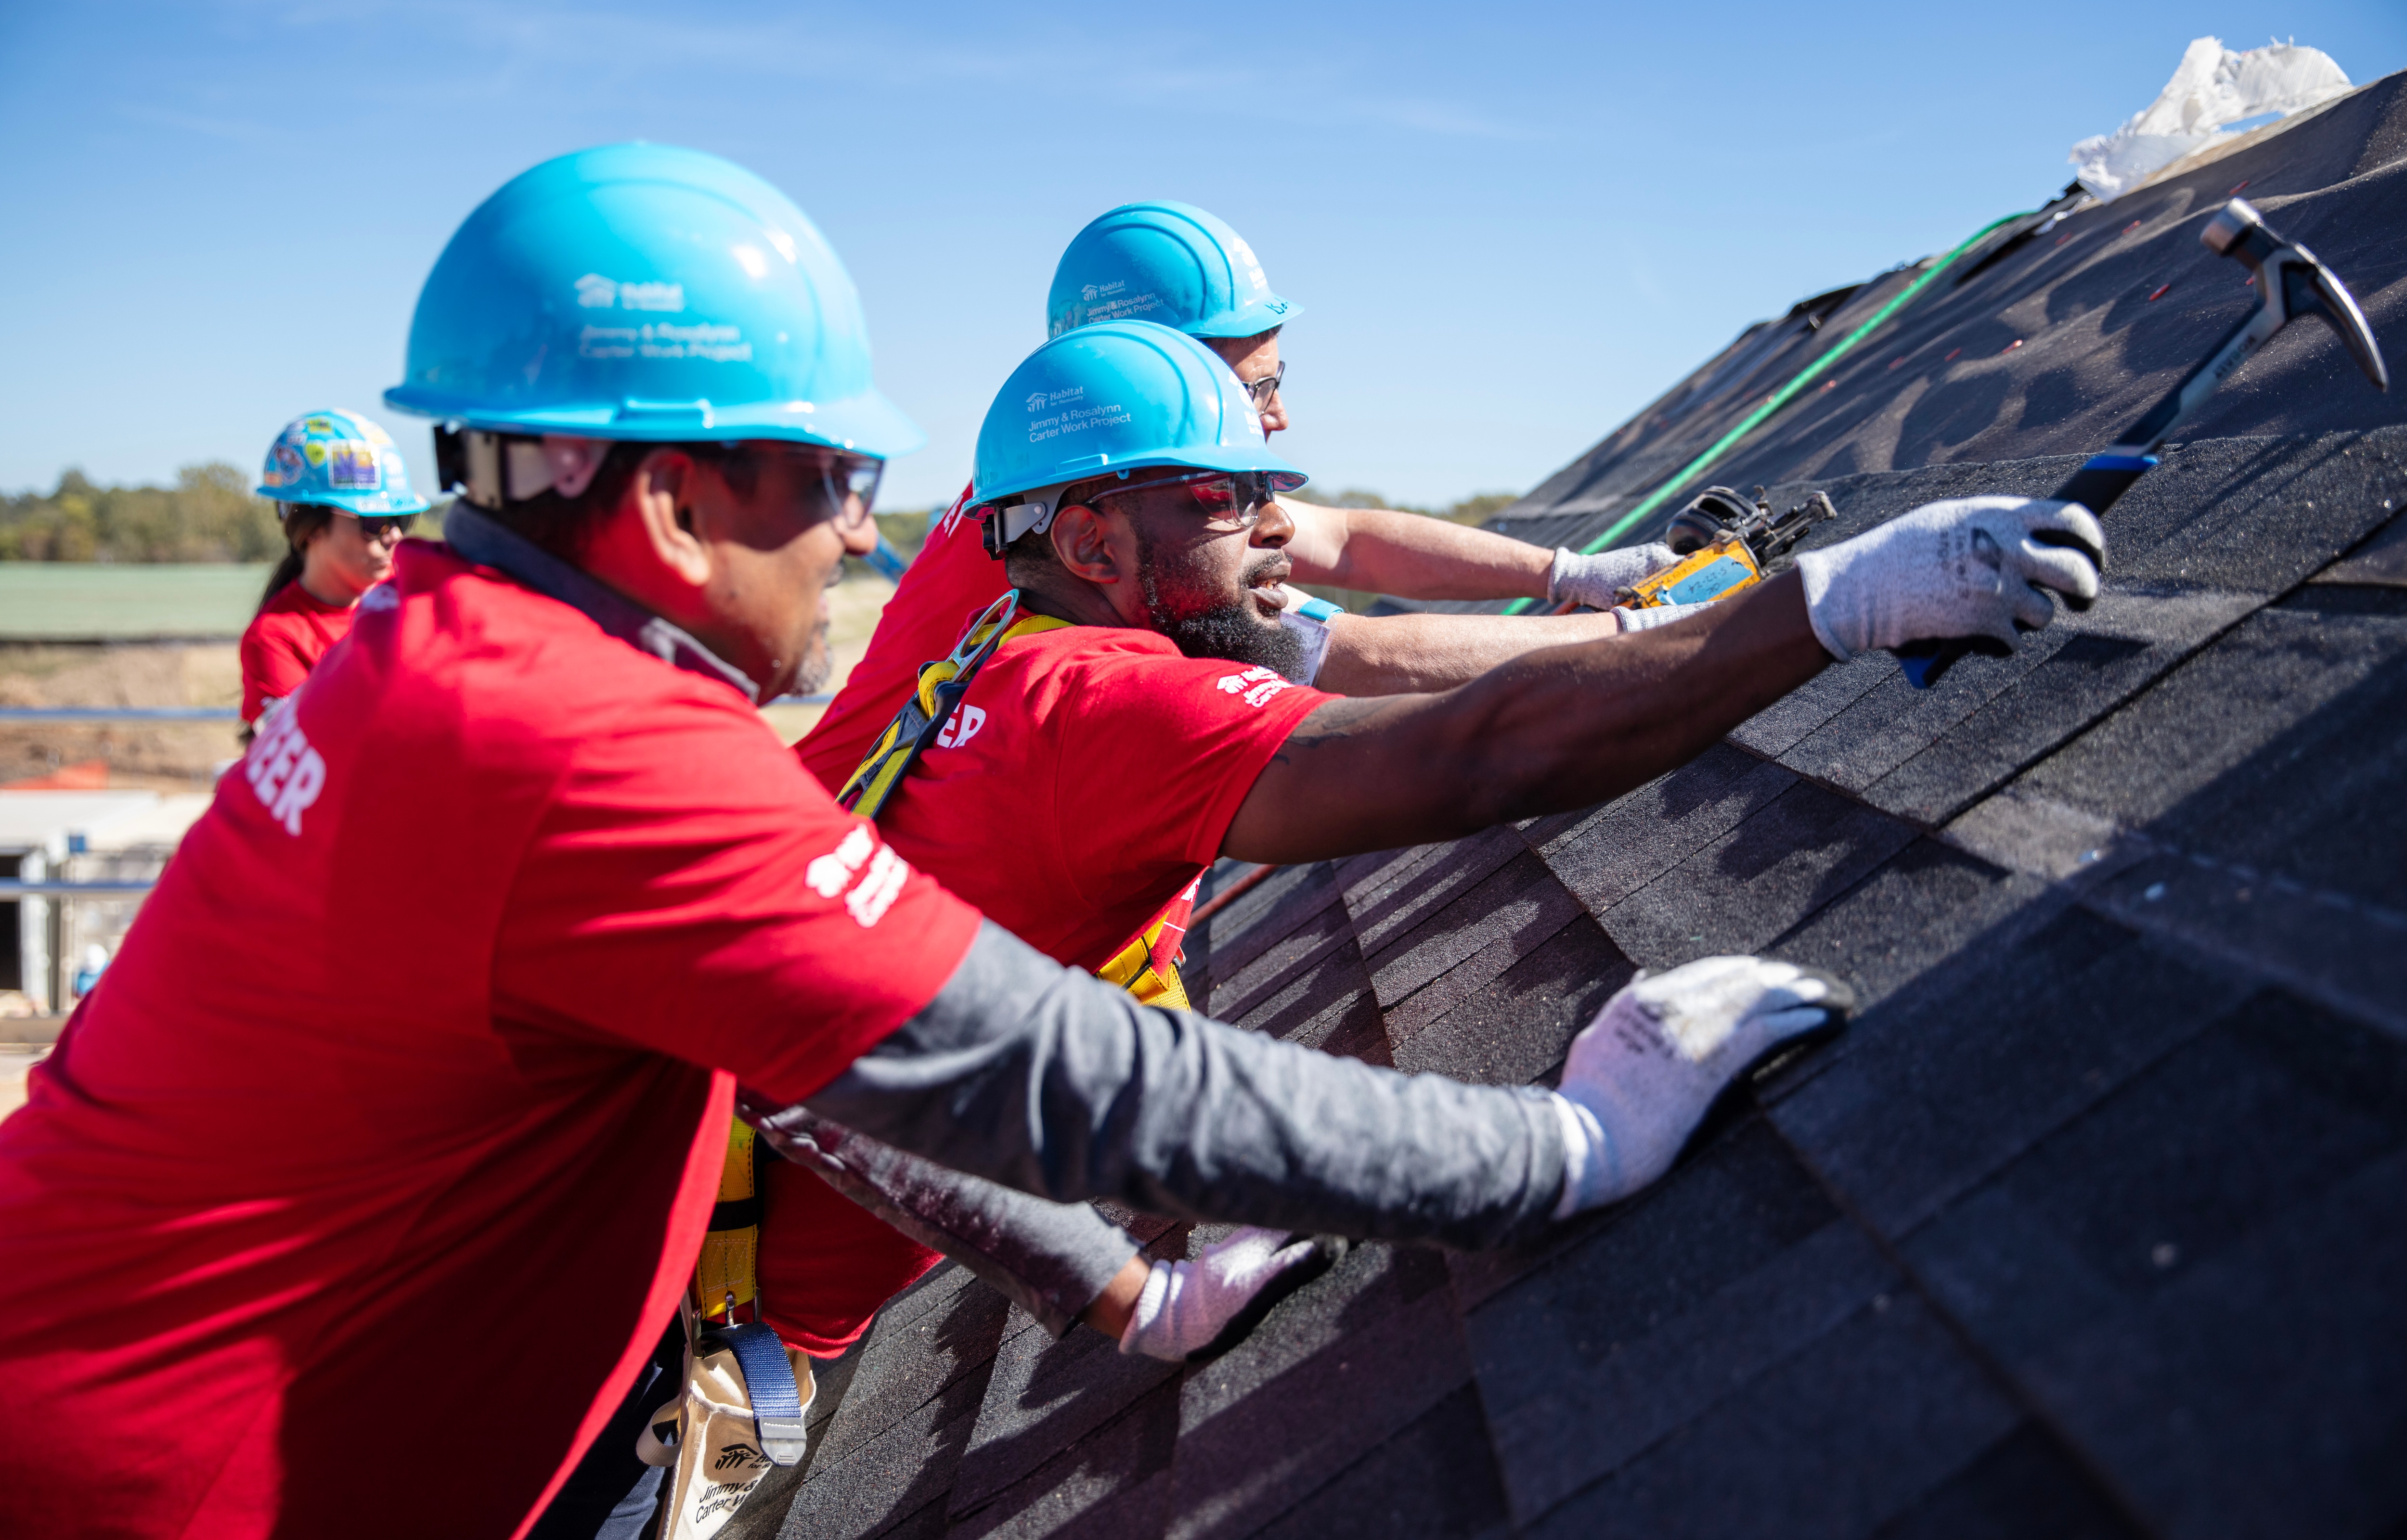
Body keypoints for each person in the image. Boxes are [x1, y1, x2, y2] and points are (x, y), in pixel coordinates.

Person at [0, 143, 1848, 1540]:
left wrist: (1114, 1290)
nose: (867, 540)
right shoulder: (581, 751)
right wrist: (1561, 1145)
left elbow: (816, 1077)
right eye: (830, 477)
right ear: (664, 497)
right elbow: (1066, 1077)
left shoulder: (434, 650)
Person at [748, 317, 2109, 1365]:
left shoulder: (995, 658)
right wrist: (1830, 603)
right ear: (1096, 538)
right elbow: (1481, 749)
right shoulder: (1104, 702)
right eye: (1227, 505)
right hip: (699, 1397)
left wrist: (1125, 1295)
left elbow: (864, 1061)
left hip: (746, 1288)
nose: (1269, 540)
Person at [792, 198, 1682, 799]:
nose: (1280, 414)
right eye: (1258, 385)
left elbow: (1351, 541)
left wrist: (1579, 570)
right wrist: (1653, 632)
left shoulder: (1070, 471)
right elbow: (1357, 654)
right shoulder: (1123, 519)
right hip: (838, 865)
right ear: (1163, 372)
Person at [239, 409, 432, 730]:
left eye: (400, 521)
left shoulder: (415, 595)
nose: (395, 536)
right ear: (311, 529)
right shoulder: (275, 640)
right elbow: (306, 754)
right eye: (375, 523)